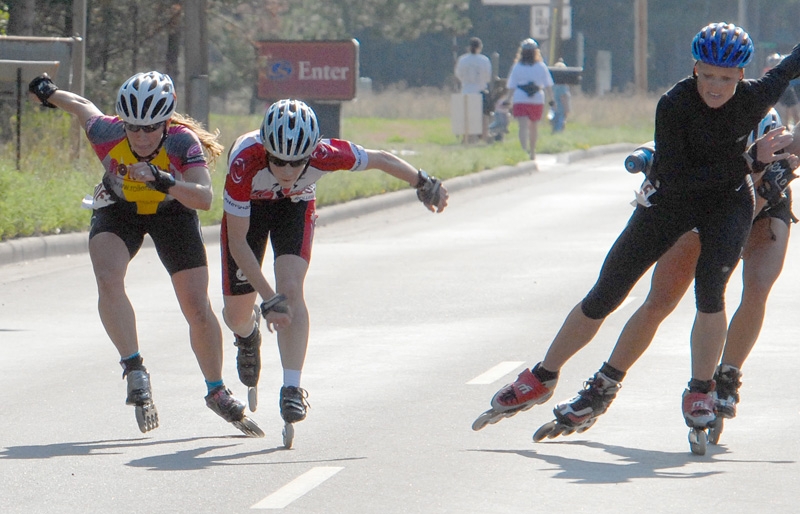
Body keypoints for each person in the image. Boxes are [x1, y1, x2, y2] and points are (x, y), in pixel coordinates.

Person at [476, 22, 800, 441]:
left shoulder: (757, 95)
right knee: (606, 293)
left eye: (725, 78)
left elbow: (792, 63)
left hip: (727, 205)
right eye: (707, 75)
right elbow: (682, 177)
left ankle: (701, 389)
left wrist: (752, 164)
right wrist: (748, 160)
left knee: (710, 293)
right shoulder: (674, 103)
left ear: (741, 75)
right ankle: (544, 374)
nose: (716, 87)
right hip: (672, 200)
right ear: (695, 68)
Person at [27, 71, 264, 437]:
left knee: (196, 308)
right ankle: (134, 367)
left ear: (166, 123)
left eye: (149, 128)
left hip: (172, 210)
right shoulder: (107, 132)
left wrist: (165, 179)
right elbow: (80, 107)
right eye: (132, 127)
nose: (139, 136)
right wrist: (48, 92)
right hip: (119, 209)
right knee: (107, 277)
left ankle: (215, 389)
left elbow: (203, 197)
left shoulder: (182, 142)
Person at [548, 111, 798, 441]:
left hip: (764, 207)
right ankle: (602, 386)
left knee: (758, 287)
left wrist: (771, 178)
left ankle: (726, 378)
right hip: (710, 208)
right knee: (661, 300)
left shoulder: (781, 146)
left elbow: (749, 212)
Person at [220, 99, 448, 433]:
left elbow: (381, 159)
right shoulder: (244, 162)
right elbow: (238, 243)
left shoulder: (327, 153)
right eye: (278, 161)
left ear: (311, 153)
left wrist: (424, 183)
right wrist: (267, 300)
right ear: (266, 150)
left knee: (292, 289)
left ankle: (292, 387)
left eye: (295, 162)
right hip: (249, 212)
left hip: (294, 207)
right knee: (236, 314)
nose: (285, 171)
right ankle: (247, 335)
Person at [505, 38, 554, 161]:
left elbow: (511, 85)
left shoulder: (517, 67)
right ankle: (532, 151)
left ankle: (523, 150)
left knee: (522, 126)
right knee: (534, 126)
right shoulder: (541, 67)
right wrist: (552, 100)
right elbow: (548, 85)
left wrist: (508, 99)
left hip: (520, 98)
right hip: (536, 98)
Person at [454, 37, 493, 142]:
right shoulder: (484, 60)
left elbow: (458, 74)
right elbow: (488, 77)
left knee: (467, 117)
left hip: (466, 91)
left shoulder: (462, 59)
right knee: (484, 116)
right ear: (480, 47)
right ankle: (485, 136)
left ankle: (467, 138)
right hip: (480, 91)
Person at [764, 53, 800, 128]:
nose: (775, 63)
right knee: (783, 117)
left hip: (788, 90)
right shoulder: (768, 72)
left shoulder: (784, 68)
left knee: (796, 114)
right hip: (778, 93)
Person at [550, 59, 572, 133]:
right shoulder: (563, 86)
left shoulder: (553, 85)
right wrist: (567, 109)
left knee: (554, 125)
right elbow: (563, 97)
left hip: (553, 108)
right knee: (560, 125)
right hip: (561, 109)